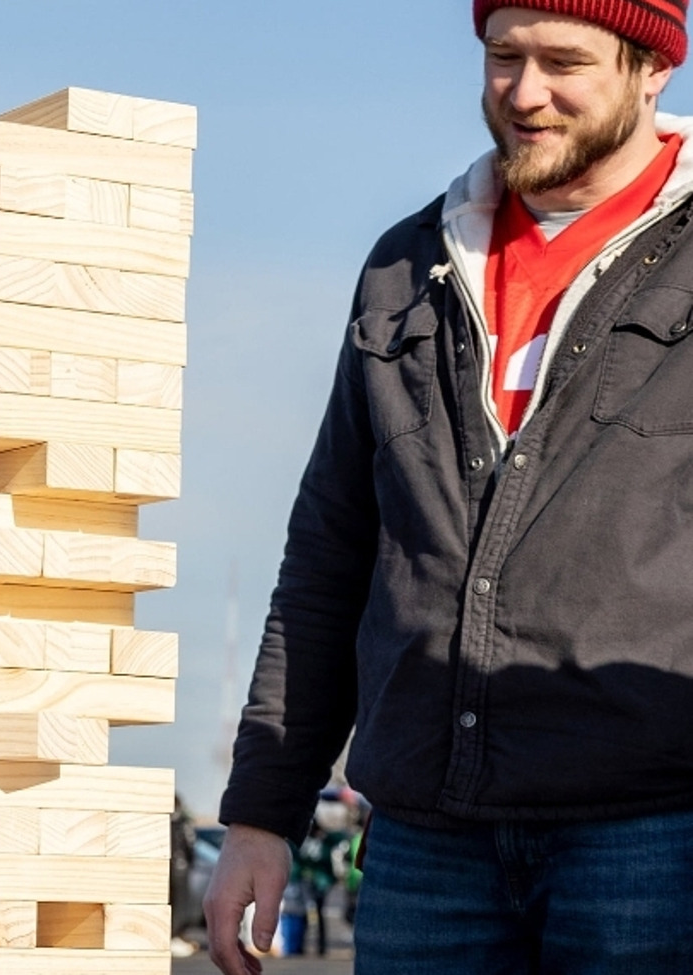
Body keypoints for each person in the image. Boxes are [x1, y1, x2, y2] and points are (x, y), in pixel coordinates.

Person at [205, 1, 693, 973]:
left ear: (653, 71)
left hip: (654, 842)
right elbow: (329, 555)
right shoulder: (406, 266)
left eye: (564, 62)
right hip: (425, 853)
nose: (523, 92)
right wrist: (260, 814)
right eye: (502, 57)